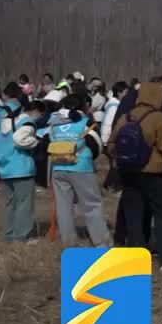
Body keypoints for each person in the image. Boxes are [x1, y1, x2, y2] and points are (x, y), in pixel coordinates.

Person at [109, 82, 162, 270]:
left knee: (133, 215)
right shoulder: (159, 119)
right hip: (154, 174)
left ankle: (135, 257)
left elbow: (111, 145)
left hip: (129, 173)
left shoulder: (125, 117)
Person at [45, 97, 109, 247]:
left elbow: (48, 141)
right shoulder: (85, 122)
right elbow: (97, 145)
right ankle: (101, 242)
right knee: (91, 204)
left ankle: (69, 242)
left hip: (58, 167)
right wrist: (88, 158)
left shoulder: (53, 122)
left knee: (63, 206)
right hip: (81, 167)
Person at [0, 97, 41, 242]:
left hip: (5, 168)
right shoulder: (26, 122)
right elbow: (19, 139)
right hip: (22, 168)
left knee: (11, 204)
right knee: (24, 203)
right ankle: (22, 235)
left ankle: (9, 234)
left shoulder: (3, 124)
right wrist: (36, 141)